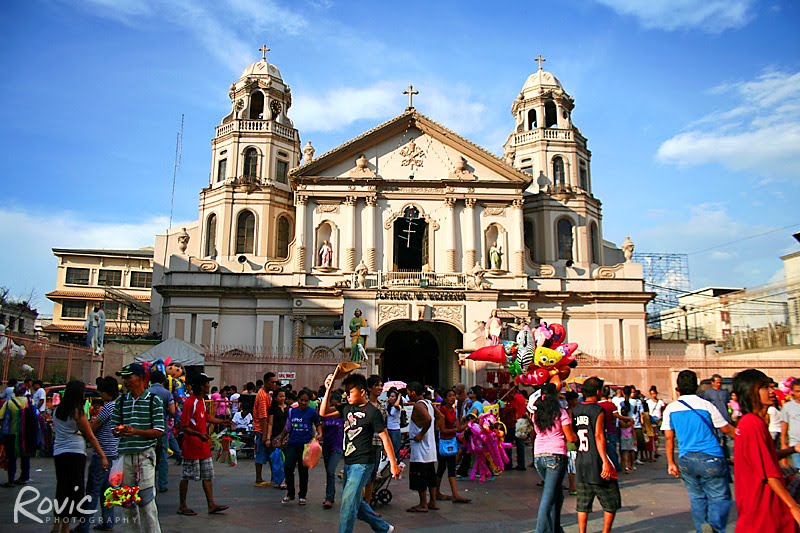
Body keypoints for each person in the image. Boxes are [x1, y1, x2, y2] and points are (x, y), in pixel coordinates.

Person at [319, 372, 399, 533]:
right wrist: (329, 388)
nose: (347, 395)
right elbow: (323, 412)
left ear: (362, 391)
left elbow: (385, 438)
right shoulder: (347, 407)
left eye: (350, 392)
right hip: (349, 463)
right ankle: (383, 528)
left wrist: (393, 464)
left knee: (348, 505)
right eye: (346, 392)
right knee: (355, 501)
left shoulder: (372, 412)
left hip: (363, 464)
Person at [661, 370, 735, 533]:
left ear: (677, 388)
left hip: (686, 459)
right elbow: (726, 428)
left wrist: (671, 463)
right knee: (719, 497)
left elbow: (668, 438)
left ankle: (702, 527)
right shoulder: (707, 405)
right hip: (711, 456)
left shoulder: (671, 409)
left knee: (697, 497)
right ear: (696, 387)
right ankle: (715, 527)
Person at [733, 369, 800, 530]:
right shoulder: (753, 424)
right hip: (763, 500)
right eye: (764, 388)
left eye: (771, 387)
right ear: (750, 392)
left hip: (755, 498)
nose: (772, 392)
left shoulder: (751, 422)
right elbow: (768, 472)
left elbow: (765, 458)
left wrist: (792, 449)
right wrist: (793, 506)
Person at [111, 363, 165, 532]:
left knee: (146, 502)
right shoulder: (121, 402)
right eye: (124, 377)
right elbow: (114, 427)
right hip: (125, 457)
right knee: (127, 503)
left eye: (129, 377)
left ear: (141, 378)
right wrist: (119, 431)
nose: (126, 381)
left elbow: (158, 431)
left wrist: (136, 431)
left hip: (145, 456)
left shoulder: (153, 401)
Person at [53, 380, 108, 533]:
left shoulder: (57, 410)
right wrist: (103, 456)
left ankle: (57, 525)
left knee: (62, 488)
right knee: (74, 490)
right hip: (76, 453)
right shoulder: (77, 411)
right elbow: (90, 436)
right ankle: (66, 528)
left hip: (59, 452)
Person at [177, 373, 231, 516]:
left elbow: (206, 416)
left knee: (208, 475)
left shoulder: (201, 401)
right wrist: (198, 434)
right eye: (207, 383)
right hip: (192, 446)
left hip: (203, 445)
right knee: (186, 476)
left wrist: (220, 422)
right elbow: (184, 426)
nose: (209, 386)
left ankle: (211, 504)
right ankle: (182, 506)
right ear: (201, 386)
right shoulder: (190, 403)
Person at [573, 377, 620, 533]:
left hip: (581, 459)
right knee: (611, 500)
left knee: (583, 502)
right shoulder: (597, 410)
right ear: (598, 391)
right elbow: (599, 435)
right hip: (596, 460)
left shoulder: (576, 409)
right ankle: (606, 531)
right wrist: (605, 461)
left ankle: (582, 531)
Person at [529, 382, 577, 533]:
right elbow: (570, 436)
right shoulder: (560, 412)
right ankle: (540, 530)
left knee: (557, 495)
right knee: (548, 497)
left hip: (539, 455)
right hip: (555, 455)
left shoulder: (536, 413)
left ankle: (555, 528)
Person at [82, 377, 120, 531]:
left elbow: (93, 427)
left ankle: (84, 525)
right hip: (115, 454)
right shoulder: (120, 406)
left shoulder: (108, 407)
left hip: (102, 453)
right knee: (108, 491)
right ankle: (108, 521)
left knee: (93, 490)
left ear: (106, 392)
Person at [282, 389, 322, 505]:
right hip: (292, 443)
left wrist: (320, 434)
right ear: (297, 400)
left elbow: (318, 424)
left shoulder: (312, 412)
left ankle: (302, 495)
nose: (303, 403)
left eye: (306, 401)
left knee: (303, 470)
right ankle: (290, 493)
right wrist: (281, 439)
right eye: (301, 400)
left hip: (306, 446)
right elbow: (287, 427)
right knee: (288, 467)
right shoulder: (292, 411)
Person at [406, 381, 438, 513]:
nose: (407, 395)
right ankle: (433, 502)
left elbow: (429, 419)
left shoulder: (419, 405)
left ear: (413, 392)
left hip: (420, 450)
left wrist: (421, 434)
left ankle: (423, 504)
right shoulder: (428, 403)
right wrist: (432, 433)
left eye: (408, 392)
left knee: (420, 476)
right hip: (429, 449)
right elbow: (439, 417)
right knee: (431, 476)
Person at [435, 389, 471, 504]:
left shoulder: (454, 411)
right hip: (444, 442)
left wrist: (469, 423)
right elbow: (443, 430)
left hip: (450, 441)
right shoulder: (442, 411)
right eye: (450, 396)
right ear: (445, 398)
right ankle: (445, 493)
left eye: (454, 395)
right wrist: (456, 430)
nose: (453, 398)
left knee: (447, 467)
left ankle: (447, 493)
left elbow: (459, 427)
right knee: (443, 467)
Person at [0, 383, 37, 487]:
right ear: (25, 392)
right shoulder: (30, 402)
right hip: (27, 435)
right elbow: (36, 415)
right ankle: (23, 477)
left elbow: (1, 416)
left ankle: (11, 480)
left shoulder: (9, 403)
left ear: (14, 392)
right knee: (25, 456)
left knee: (11, 458)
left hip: (12, 434)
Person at [147, 370, 175, 494]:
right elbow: (173, 411)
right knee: (163, 454)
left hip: (147, 426)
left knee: (147, 454)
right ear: (163, 380)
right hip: (162, 425)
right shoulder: (167, 393)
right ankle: (162, 484)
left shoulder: (146, 393)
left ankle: (148, 483)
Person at [364, 375, 386, 504]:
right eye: (376, 385)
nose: (379, 388)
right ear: (369, 388)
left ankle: (367, 503)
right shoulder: (363, 404)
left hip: (377, 442)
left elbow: (384, 427)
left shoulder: (382, 405)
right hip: (364, 443)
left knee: (372, 474)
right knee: (362, 473)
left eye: (380, 385)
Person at [253, 372, 278, 487]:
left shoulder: (267, 394)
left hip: (265, 429)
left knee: (270, 454)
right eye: (272, 382)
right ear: (266, 382)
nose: (274, 384)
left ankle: (274, 477)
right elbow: (263, 417)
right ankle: (258, 478)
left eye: (275, 382)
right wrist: (264, 435)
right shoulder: (263, 396)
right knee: (261, 454)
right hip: (261, 429)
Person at [322, 388, 344, 509]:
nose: (334, 407)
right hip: (326, 446)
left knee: (331, 471)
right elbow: (321, 427)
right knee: (328, 473)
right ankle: (330, 495)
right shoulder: (326, 415)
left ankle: (329, 498)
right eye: (332, 404)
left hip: (338, 446)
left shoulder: (342, 416)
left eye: (337, 404)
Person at [702, 374, 732, 462]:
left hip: (725, 417)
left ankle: (726, 456)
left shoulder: (725, 392)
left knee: (725, 439)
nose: (719, 384)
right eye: (717, 382)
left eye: (720, 382)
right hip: (714, 419)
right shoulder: (708, 393)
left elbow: (728, 404)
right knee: (716, 438)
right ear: (712, 383)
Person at [266, 387, 289, 488]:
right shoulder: (273, 409)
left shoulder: (289, 408)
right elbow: (270, 424)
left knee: (287, 459)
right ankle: (277, 479)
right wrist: (268, 438)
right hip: (276, 435)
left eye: (283, 396)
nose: (282, 398)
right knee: (277, 459)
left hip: (287, 436)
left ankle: (285, 479)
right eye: (280, 396)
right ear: (275, 398)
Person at [781, 379, 800, 471]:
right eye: (797, 391)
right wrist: (783, 444)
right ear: (792, 392)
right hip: (795, 445)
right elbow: (784, 427)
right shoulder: (788, 407)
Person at [646, 386, 665, 458]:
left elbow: (663, 411)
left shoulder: (660, 402)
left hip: (658, 421)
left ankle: (656, 450)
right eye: (652, 394)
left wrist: (661, 419)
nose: (653, 395)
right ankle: (652, 451)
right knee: (651, 437)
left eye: (654, 394)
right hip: (651, 421)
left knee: (658, 437)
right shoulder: (648, 402)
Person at [386, 388, 403, 455]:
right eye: (390, 396)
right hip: (388, 428)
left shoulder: (398, 407)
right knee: (389, 448)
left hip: (395, 429)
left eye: (393, 396)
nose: (390, 398)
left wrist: (399, 396)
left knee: (396, 448)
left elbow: (396, 405)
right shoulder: (388, 406)